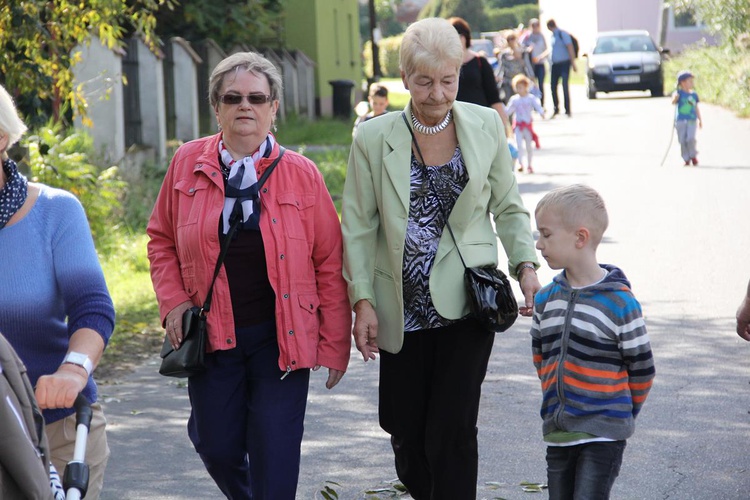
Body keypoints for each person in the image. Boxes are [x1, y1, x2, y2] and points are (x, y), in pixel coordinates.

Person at [341, 18, 541, 499]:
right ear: (404, 78)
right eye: (424, 81)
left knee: (452, 430)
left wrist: (525, 266)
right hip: (401, 304)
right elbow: (359, 227)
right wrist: (362, 300)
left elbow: (508, 205)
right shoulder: (372, 138)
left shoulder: (486, 124)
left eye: (447, 80)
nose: (436, 94)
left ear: (459, 71)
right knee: (406, 432)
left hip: (467, 301)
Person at [147, 51, 351, 499]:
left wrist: (335, 344)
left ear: (273, 106)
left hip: (282, 338)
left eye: (256, 98)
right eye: (233, 97)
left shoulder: (302, 174)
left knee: (274, 457)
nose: (245, 106)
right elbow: (160, 239)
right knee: (215, 446)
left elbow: (329, 265)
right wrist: (174, 301)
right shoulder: (186, 163)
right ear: (216, 106)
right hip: (212, 337)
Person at [0, 83, 115, 499]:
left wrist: (73, 370)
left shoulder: (55, 211)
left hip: (56, 428)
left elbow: (92, 308)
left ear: (2, 138)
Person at [531, 184, 655, 500]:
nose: (538, 244)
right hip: (559, 433)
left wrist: (619, 411)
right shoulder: (546, 300)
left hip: (603, 434)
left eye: (546, 235)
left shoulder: (619, 303)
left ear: (580, 238)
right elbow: (541, 357)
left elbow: (641, 368)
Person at [449, 17, 511, 135]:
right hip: (455, 124)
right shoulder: (444, 65)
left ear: (464, 38)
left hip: (481, 123)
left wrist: (503, 125)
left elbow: (493, 96)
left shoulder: (480, 62)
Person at [505, 74, 545, 174]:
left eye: (521, 87)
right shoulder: (515, 99)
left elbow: (537, 106)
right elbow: (508, 110)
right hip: (518, 125)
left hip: (527, 125)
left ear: (526, 87)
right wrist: (502, 114)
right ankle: (520, 163)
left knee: (528, 146)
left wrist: (541, 112)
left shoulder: (530, 98)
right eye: (517, 87)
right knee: (519, 145)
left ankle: (529, 165)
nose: (519, 89)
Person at [546, 19, 577, 118]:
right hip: (555, 65)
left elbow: (570, 47)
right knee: (553, 86)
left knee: (564, 86)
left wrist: (573, 63)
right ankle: (556, 108)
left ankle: (567, 109)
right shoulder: (552, 36)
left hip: (564, 63)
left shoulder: (562, 34)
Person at [671, 70, 702, 166]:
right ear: (682, 83)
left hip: (691, 120)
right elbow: (673, 102)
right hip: (680, 120)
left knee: (690, 138)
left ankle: (693, 155)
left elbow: (696, 107)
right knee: (682, 140)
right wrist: (676, 98)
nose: (692, 83)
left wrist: (700, 119)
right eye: (689, 81)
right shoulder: (678, 93)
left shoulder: (693, 94)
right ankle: (686, 157)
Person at [497, 30, 534, 105]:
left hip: (520, 81)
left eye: (512, 38)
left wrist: (531, 77)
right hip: (508, 81)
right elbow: (501, 67)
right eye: (509, 39)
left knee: (521, 102)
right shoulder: (504, 54)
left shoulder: (523, 52)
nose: (511, 41)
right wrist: (497, 77)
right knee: (509, 102)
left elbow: (527, 65)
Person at [522, 18, 550, 108]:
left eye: (537, 25)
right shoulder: (527, 37)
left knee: (541, 84)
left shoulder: (541, 36)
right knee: (531, 84)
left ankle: (542, 104)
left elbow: (547, 49)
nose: (535, 28)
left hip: (540, 63)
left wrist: (541, 56)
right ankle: (532, 104)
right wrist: (528, 49)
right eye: (533, 26)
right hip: (531, 64)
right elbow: (521, 47)